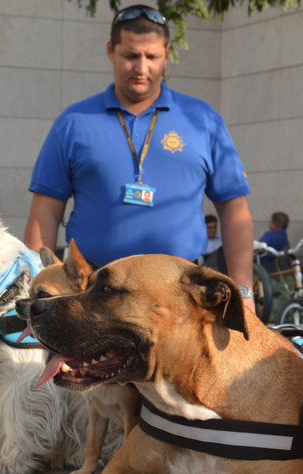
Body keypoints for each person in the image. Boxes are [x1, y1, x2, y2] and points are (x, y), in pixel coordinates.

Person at [23, 5, 256, 311]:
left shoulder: (203, 120)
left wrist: (244, 294)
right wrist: (35, 287)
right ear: (111, 50)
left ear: (167, 54)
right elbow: (45, 214)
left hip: (183, 297)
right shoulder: (74, 122)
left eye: (152, 57)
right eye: (131, 56)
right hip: (91, 297)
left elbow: (235, 211)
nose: (141, 67)